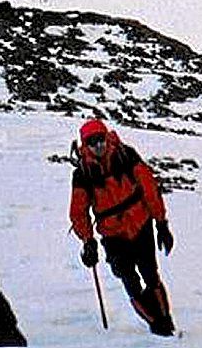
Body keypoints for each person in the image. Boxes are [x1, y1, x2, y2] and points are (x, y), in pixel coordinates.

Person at [69, 118, 175, 336]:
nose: (98, 146)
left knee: (150, 274)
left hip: (141, 224)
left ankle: (165, 321)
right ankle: (155, 324)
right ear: (85, 145)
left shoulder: (125, 155)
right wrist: (88, 241)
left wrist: (161, 222)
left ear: (107, 138)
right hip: (113, 235)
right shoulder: (82, 173)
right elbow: (79, 212)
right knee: (129, 279)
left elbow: (149, 188)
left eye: (101, 140)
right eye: (92, 142)